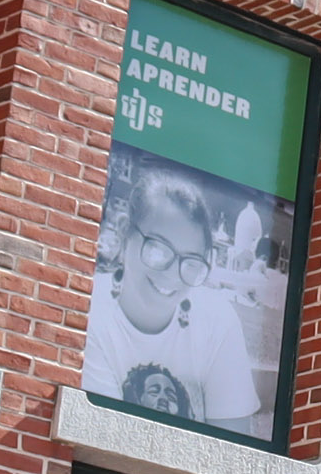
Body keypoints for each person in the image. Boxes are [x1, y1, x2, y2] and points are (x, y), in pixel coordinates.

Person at [81, 162, 266, 435]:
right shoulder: (88, 309)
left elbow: (234, 450)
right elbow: (101, 437)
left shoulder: (218, 322)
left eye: (191, 262)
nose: (171, 274)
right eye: (158, 248)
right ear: (124, 232)